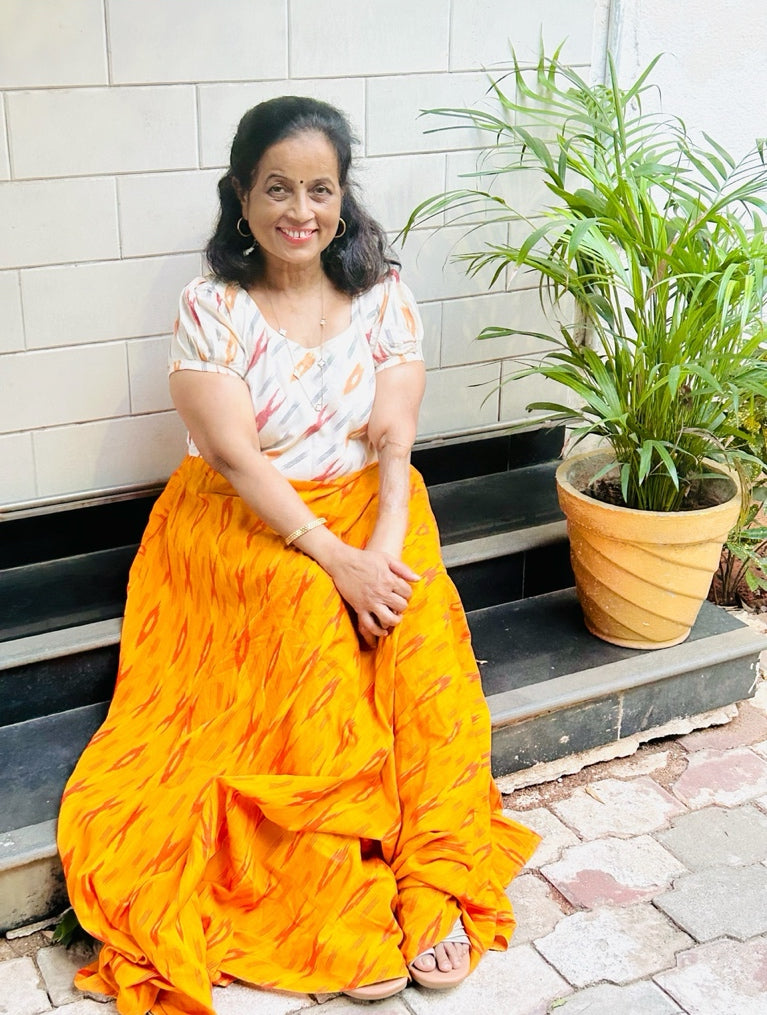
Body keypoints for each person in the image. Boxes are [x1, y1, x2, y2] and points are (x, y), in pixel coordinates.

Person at [57, 97, 540, 1014]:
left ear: (343, 198)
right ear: (242, 196)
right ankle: (326, 900)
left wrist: (380, 551)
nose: (300, 210)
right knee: (314, 624)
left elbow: (395, 441)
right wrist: (334, 562)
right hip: (241, 521)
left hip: (371, 503)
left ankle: (432, 875)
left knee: (417, 638)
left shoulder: (382, 294)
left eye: (320, 189)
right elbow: (236, 459)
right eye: (277, 188)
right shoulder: (212, 308)